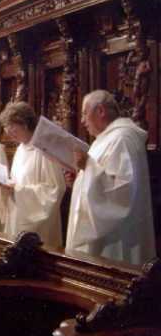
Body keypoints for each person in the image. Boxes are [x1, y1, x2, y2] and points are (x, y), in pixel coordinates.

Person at [65, 90, 156, 265]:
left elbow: (123, 192)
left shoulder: (122, 138)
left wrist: (88, 167)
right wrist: (78, 179)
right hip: (101, 234)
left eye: (85, 113)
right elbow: (101, 175)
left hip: (115, 238)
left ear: (100, 111)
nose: (82, 120)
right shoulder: (103, 140)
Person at [0, 102, 66, 247]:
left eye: (12, 126)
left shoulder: (44, 149)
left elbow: (55, 189)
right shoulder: (21, 149)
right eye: (6, 126)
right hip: (18, 215)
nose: (8, 132)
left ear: (25, 123)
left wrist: (19, 191)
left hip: (38, 225)